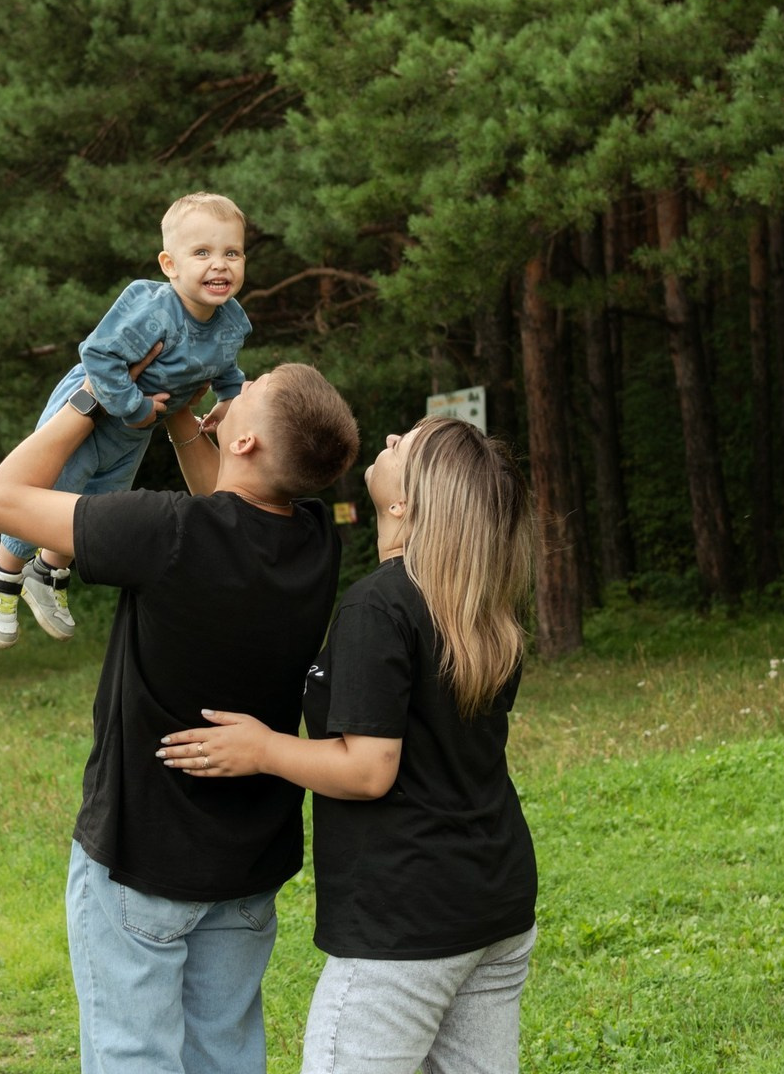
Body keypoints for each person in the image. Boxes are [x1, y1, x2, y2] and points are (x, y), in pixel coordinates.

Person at [0, 357, 360, 1074]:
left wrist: (88, 400)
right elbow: (233, 509)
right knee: (226, 1057)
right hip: (248, 865)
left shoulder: (165, 532)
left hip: (141, 856)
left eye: (252, 390)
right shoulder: (314, 540)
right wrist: (181, 413)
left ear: (244, 442)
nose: (238, 387)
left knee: (134, 1056)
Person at [157, 416, 538, 1074]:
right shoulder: (479, 609)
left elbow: (368, 769)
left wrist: (262, 749)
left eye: (403, 445)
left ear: (404, 504)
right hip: (495, 908)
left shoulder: (380, 606)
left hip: (406, 923)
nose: (388, 440)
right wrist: (191, 429)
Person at [0, 191, 252, 648]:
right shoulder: (153, 309)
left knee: (98, 501)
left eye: (231, 253)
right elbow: (98, 355)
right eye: (202, 252)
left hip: (136, 430)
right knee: (55, 487)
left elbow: (225, 367)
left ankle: (48, 572)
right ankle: (1, 575)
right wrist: (136, 408)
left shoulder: (231, 321)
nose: (219, 264)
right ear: (170, 265)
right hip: (97, 405)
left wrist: (230, 399)